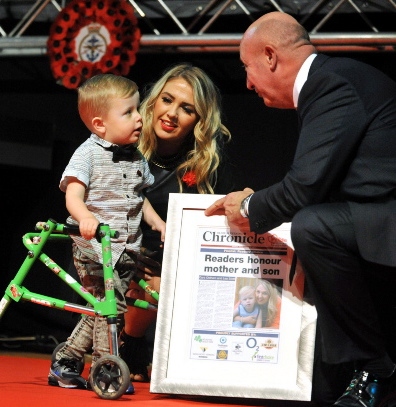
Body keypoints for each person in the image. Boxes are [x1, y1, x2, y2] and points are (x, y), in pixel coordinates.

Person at [205, 11, 396, 407]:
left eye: (247, 67)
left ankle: (377, 369)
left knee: (312, 226)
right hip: (373, 220)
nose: (247, 82)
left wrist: (247, 206)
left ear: (271, 56)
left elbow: (304, 188)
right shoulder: (332, 80)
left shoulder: (330, 84)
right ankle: (354, 374)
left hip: (386, 224)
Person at [48, 74, 166, 391]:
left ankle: (67, 360)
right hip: (95, 250)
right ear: (100, 125)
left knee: (102, 307)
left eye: (137, 109)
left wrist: (157, 222)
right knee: (110, 309)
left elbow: (140, 198)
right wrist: (86, 217)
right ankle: (106, 366)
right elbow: (72, 196)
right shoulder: (87, 154)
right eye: (128, 112)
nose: (139, 117)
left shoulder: (137, 155)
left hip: (127, 249)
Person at [119, 63, 236, 382]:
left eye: (186, 108)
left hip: (176, 256)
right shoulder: (124, 138)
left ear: (199, 119)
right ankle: (130, 341)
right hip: (120, 249)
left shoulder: (207, 160)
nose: (171, 113)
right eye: (167, 100)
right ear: (153, 101)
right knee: (152, 273)